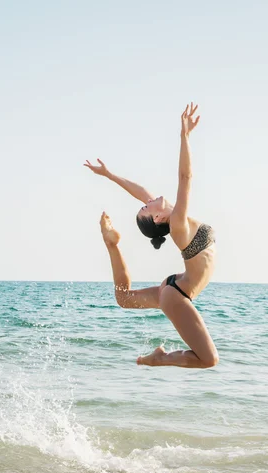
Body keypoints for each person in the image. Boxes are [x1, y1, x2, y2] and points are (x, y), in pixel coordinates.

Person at [84, 103, 219, 369]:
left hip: (174, 287)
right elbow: (185, 176)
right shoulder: (178, 222)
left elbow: (140, 190)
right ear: (158, 219)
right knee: (209, 359)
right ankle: (161, 359)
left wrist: (110, 175)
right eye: (147, 207)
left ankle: (112, 245)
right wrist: (185, 136)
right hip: (177, 293)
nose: (149, 199)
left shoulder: (168, 217)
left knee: (124, 298)